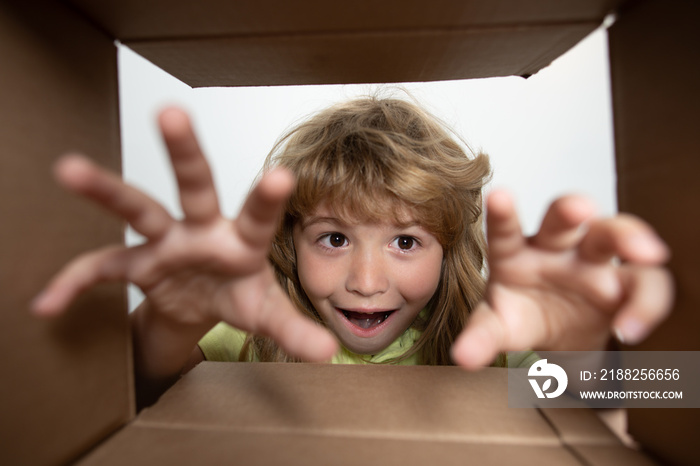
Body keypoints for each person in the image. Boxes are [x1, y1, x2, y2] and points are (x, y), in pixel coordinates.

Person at [30, 95, 673, 409]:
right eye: (334, 239)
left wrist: (589, 349)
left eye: (404, 241)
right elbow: (129, 395)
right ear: (291, 241)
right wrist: (168, 320)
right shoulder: (251, 335)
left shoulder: (494, 343)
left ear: (449, 250)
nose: (366, 281)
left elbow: (670, 388)